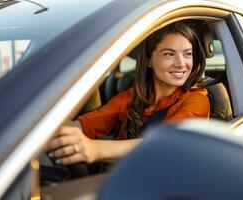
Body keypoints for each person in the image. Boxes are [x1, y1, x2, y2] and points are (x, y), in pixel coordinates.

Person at [47, 22, 210, 165]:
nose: (181, 64)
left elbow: (163, 145)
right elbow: (86, 124)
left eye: (188, 54)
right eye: (169, 54)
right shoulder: (133, 96)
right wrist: (43, 133)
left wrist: (94, 149)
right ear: (148, 60)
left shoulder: (197, 100)